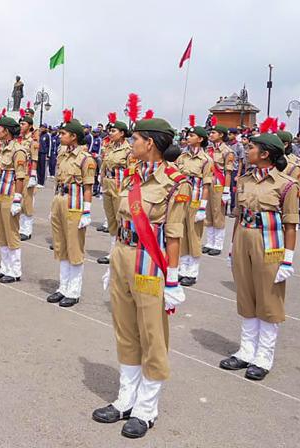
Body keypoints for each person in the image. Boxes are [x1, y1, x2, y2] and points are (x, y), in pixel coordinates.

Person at [91, 117, 189, 440]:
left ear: (150, 143)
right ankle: (125, 399)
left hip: (150, 264)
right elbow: (121, 220)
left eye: (135, 139)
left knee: (151, 335)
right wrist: (112, 260)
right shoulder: (133, 175)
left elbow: (174, 235)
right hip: (122, 255)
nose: (131, 144)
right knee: (125, 330)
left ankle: (146, 409)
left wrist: (172, 280)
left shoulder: (177, 182)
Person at [219, 118, 299, 382]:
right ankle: (245, 350)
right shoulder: (244, 180)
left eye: (252, 147)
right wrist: (233, 245)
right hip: (244, 239)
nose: (247, 150)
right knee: (246, 296)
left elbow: (290, 223)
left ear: (265, 154)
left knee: (269, 300)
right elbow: (240, 216)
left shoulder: (286, 184)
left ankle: (263, 356)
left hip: (270, 245)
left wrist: (288, 259)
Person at [45, 110, 95, 307]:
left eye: (63, 133)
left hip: (75, 204)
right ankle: (63, 286)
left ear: (74, 136)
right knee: (61, 246)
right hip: (60, 200)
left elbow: (88, 187)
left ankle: (73, 291)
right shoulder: (62, 154)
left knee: (74, 248)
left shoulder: (86, 159)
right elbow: (58, 180)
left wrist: (87, 211)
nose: (60, 136)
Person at [0, 113, 27, 283]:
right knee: (1, 232)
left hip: (10, 194)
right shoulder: (2, 148)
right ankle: (5, 267)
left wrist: (17, 199)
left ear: (8, 131)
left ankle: (15, 270)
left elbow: (20, 176)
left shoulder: (18, 150)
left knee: (11, 232)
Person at [174, 120, 212, 286]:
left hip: (195, 201)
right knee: (180, 233)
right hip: (181, 199)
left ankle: (192, 271)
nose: (188, 137)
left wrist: (203, 207)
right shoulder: (181, 156)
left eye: (192, 135)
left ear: (201, 139)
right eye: (188, 135)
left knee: (194, 236)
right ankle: (182, 268)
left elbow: (206, 185)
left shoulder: (206, 160)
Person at [97, 113, 132, 264]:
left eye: (114, 131)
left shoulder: (128, 150)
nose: (110, 133)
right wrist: (101, 178)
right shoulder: (109, 147)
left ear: (122, 133)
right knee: (111, 219)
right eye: (110, 131)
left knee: (121, 220)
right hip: (108, 184)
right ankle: (112, 251)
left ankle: (122, 252)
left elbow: (131, 171)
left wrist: (128, 190)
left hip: (120, 186)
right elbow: (104, 165)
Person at [203, 119, 235, 256]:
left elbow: (228, 172)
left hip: (219, 184)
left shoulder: (227, 151)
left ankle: (218, 244)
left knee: (218, 213)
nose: (211, 134)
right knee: (208, 213)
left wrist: (226, 190)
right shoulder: (208, 149)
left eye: (214, 132)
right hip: (208, 182)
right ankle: (209, 242)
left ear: (221, 135)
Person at [18, 112, 39, 241]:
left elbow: (35, 159)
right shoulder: (19, 139)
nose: (21, 125)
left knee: (27, 202)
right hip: (19, 173)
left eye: (23, 123)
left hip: (27, 173)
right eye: (20, 123)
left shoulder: (33, 141)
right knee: (19, 201)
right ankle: (21, 227)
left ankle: (27, 229)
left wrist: (33, 176)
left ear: (30, 126)